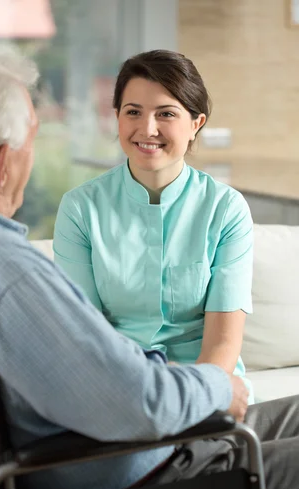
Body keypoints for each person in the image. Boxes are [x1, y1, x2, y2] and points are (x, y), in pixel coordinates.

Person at [0, 52, 299, 489]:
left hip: (88, 452)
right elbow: (140, 403)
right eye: (32, 141)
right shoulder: (7, 270)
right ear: (2, 162)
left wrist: (207, 384)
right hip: (140, 475)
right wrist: (217, 390)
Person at [53, 50, 253, 400]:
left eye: (166, 114)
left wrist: (191, 401)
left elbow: (223, 343)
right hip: (120, 389)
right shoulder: (80, 209)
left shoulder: (226, 209)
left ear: (196, 124)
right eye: (133, 112)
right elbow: (84, 335)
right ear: (117, 118)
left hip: (208, 390)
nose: (148, 129)